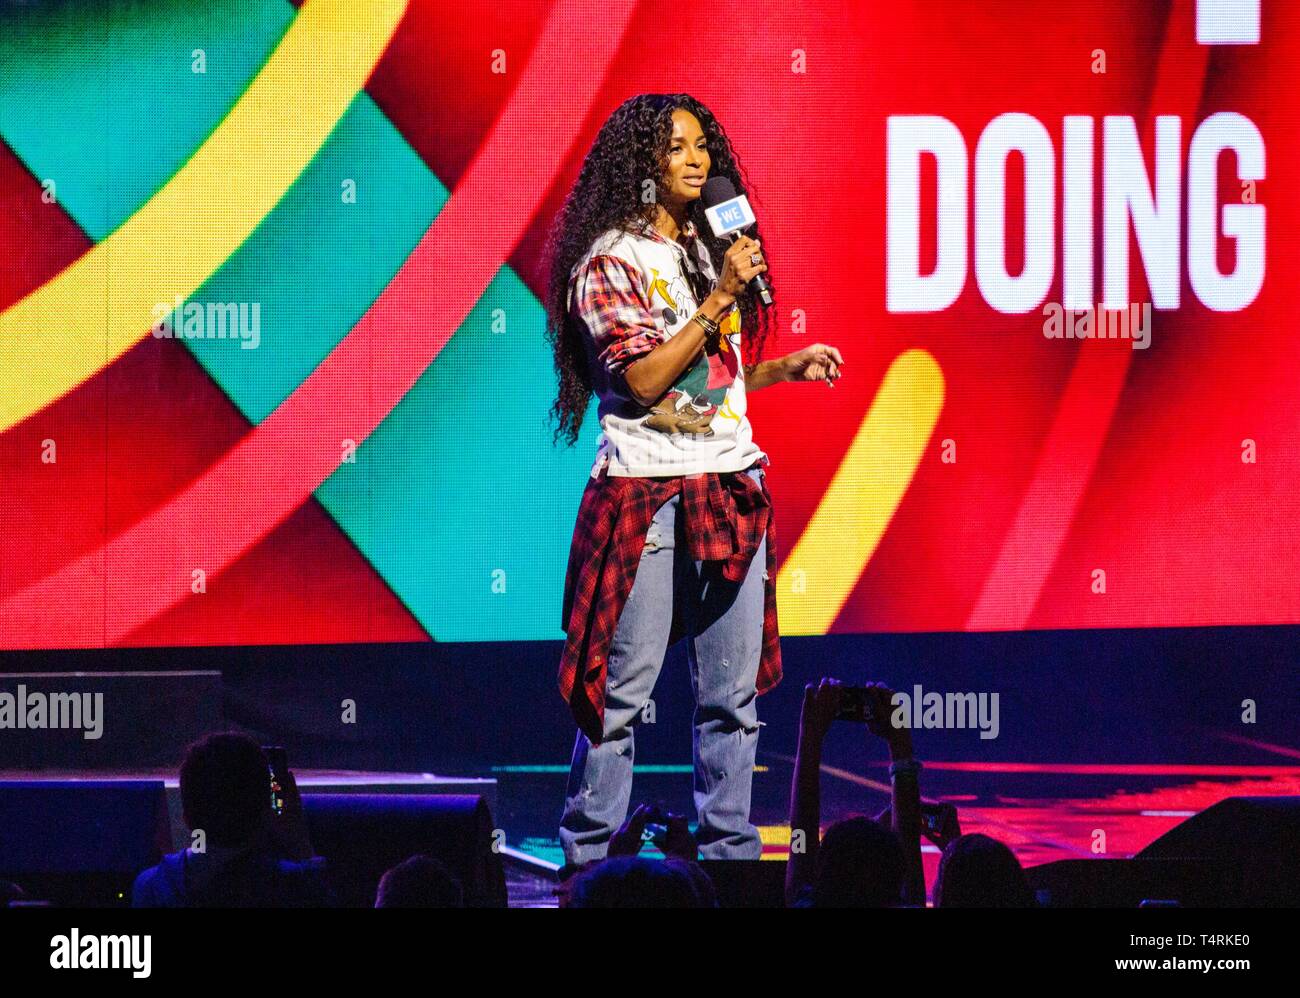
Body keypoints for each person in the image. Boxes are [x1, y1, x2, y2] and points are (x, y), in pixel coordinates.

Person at [544, 92, 845, 867]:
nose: (697, 158)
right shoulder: (610, 260)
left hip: (731, 488)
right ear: (641, 162)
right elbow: (643, 379)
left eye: (704, 144)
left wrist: (778, 367)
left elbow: (710, 378)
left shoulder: (709, 249)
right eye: (677, 146)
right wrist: (717, 302)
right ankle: (590, 865)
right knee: (621, 701)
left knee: (732, 703)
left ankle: (730, 862)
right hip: (649, 497)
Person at [132, 733, 333, 908]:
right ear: (266, 813)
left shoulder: (150, 887)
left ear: (187, 818)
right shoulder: (295, 886)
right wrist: (304, 852)